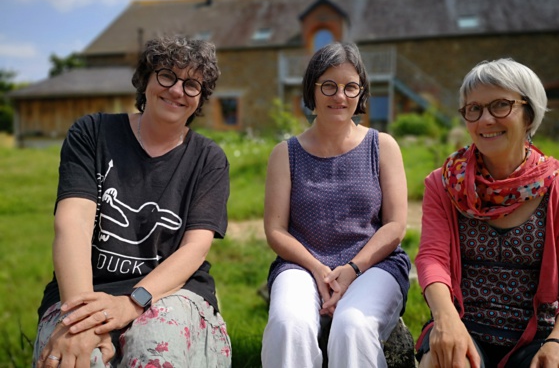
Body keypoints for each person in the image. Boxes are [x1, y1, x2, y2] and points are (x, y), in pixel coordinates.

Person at [33, 35, 232, 368]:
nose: (177, 90)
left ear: (201, 98)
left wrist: (133, 302)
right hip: (84, 290)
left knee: (155, 349)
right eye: (167, 75)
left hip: (172, 291)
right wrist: (81, 320)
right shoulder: (92, 133)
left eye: (192, 84)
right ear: (146, 79)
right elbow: (73, 224)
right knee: (81, 359)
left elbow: (194, 249)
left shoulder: (208, 159)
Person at [415, 58, 559, 368]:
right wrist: (446, 320)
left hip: (538, 337)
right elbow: (432, 258)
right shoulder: (444, 184)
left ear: (529, 113)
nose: (485, 119)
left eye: (500, 105)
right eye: (473, 109)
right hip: (464, 325)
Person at [260, 42, 412, 368]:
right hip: (301, 265)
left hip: (374, 265)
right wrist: (318, 270)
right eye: (328, 85)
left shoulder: (382, 146)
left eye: (350, 87)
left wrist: (353, 269)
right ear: (311, 90)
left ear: (361, 93)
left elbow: (396, 225)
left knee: (352, 327)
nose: (340, 96)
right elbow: (274, 230)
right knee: (289, 325)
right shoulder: (284, 154)